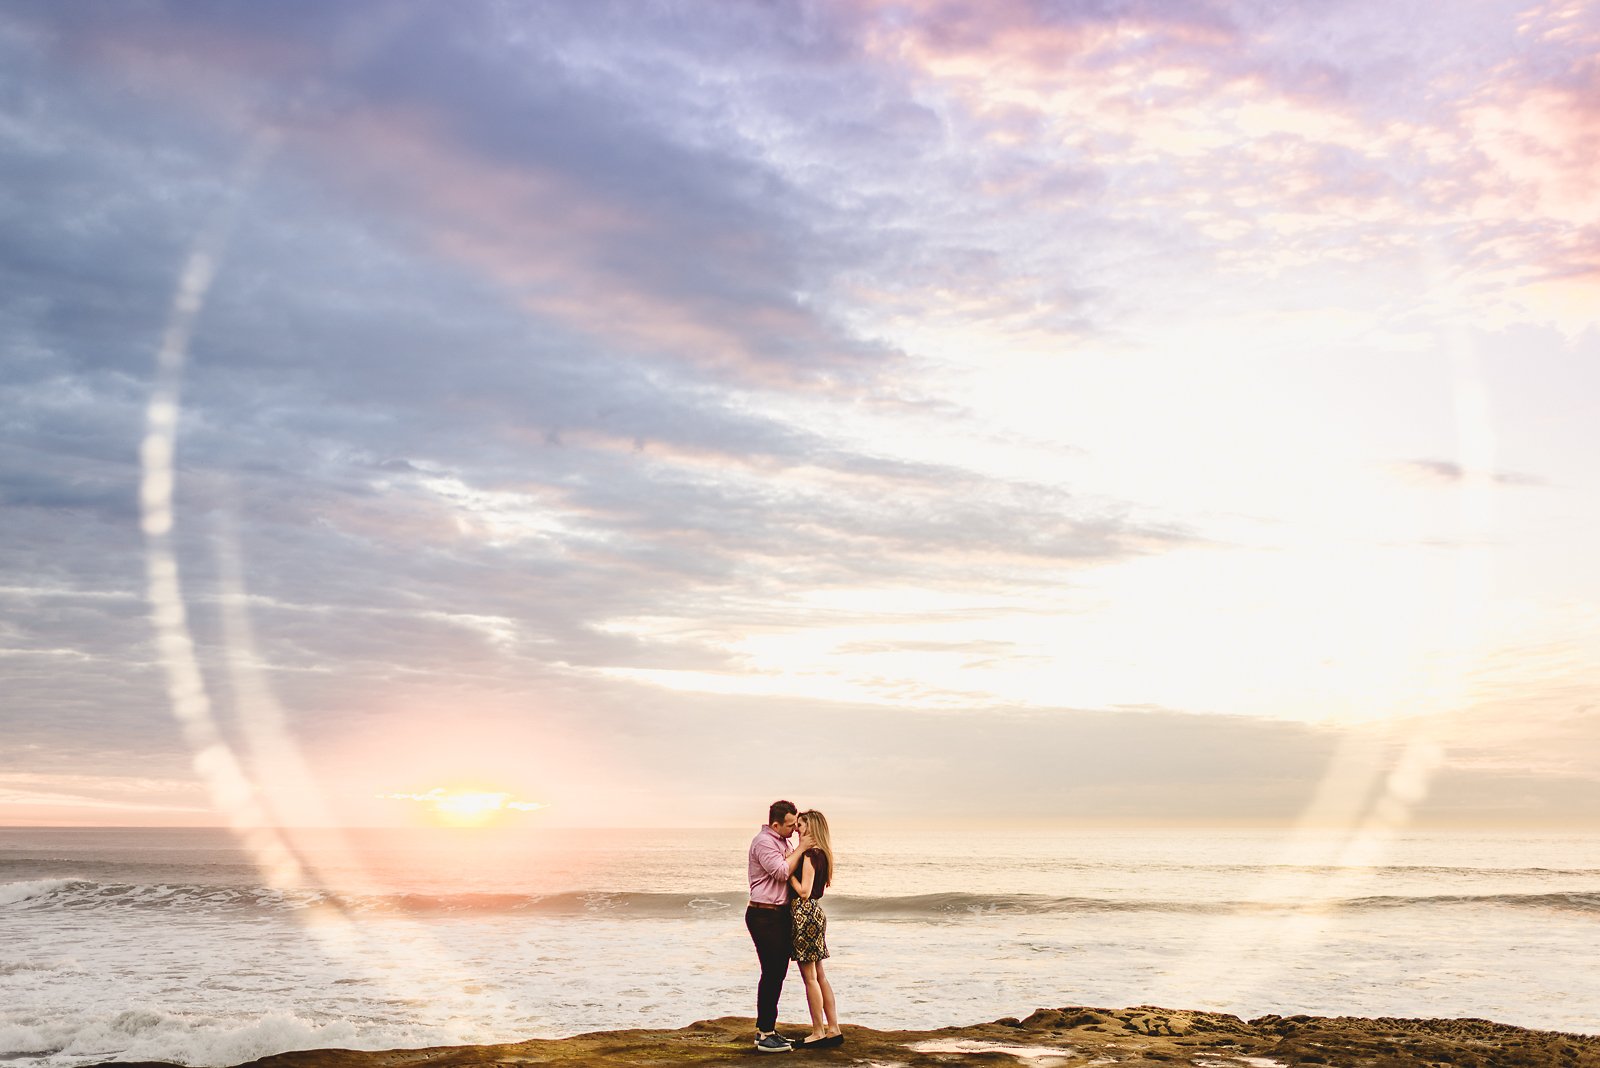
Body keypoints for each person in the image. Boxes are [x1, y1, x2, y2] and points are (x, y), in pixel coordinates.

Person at [746, 799, 811, 1053]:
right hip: (764, 915)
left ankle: (768, 1028)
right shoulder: (763, 842)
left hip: (778, 914)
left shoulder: (783, 841)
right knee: (772, 972)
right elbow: (782, 872)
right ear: (775, 824)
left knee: (778, 973)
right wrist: (802, 846)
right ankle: (764, 1034)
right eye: (791, 825)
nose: (795, 830)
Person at [788, 809, 842, 1049]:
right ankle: (833, 1029)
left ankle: (818, 1032)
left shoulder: (809, 855)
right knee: (820, 975)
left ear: (812, 827)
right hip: (816, 913)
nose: (797, 829)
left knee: (809, 977)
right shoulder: (823, 854)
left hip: (805, 913)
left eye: (801, 825)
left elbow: (804, 891)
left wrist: (788, 875)